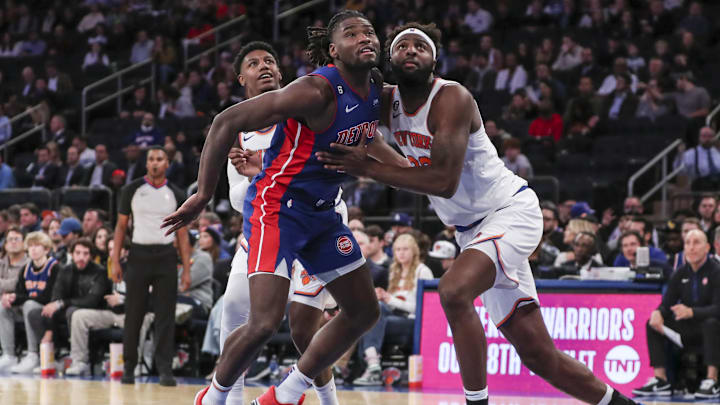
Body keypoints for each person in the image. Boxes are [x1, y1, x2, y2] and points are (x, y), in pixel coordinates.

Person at [317, 22, 639, 405]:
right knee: (538, 355)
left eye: (421, 46)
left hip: (509, 212)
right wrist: (369, 146)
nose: (411, 52)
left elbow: (442, 182)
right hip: (472, 231)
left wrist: (370, 168)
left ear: (434, 60)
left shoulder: (452, 98)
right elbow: (360, 124)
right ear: (389, 59)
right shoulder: (386, 103)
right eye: (403, 46)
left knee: (453, 291)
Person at [163, 10, 406, 405]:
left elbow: (369, 138)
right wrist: (203, 195)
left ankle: (288, 393)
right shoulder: (314, 91)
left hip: (323, 215)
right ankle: (215, 397)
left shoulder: (374, 88)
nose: (365, 38)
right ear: (333, 50)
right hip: (278, 210)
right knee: (262, 321)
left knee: (364, 311)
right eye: (351, 33)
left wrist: (413, 171)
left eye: (370, 32)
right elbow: (225, 121)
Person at [111, 146, 192, 387]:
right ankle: (129, 366)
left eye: (159, 159)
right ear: (146, 163)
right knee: (133, 314)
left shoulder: (176, 192)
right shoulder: (132, 189)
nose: (155, 163)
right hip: (138, 255)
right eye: (151, 159)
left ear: (167, 163)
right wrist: (115, 260)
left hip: (166, 257)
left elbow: (183, 235)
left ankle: (165, 369)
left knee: (165, 316)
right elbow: (120, 227)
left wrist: (186, 268)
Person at [633, 229, 720, 399]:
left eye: (696, 243)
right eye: (687, 243)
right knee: (652, 324)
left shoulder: (716, 272)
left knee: (711, 322)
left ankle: (712, 379)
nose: (691, 247)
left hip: (713, 330)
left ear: (707, 247)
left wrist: (692, 312)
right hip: (688, 330)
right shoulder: (680, 273)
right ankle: (661, 379)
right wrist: (658, 312)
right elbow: (667, 304)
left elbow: (718, 308)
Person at [353, 233, 433, 385]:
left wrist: (390, 299)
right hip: (391, 318)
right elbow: (390, 305)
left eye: (405, 249)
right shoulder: (394, 271)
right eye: (398, 250)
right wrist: (382, 296)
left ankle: (371, 365)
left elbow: (422, 309)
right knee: (371, 311)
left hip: (412, 322)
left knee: (370, 320)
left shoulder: (423, 271)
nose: (401, 253)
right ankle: (372, 365)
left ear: (414, 251)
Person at [34, 238, 108, 372]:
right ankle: (48, 358)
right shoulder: (65, 270)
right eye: (78, 253)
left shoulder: (100, 272)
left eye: (85, 254)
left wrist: (62, 303)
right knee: (37, 312)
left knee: (72, 312)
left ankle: (78, 360)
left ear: (91, 256)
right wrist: (55, 306)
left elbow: (92, 301)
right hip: (68, 310)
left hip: (92, 312)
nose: (81, 257)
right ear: (72, 254)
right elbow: (56, 297)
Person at [0, 232, 61, 373]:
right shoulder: (25, 269)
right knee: (2, 306)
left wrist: (19, 298)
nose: (33, 249)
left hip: (47, 311)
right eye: (31, 246)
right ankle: (9, 354)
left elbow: (48, 297)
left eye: (37, 246)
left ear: (46, 249)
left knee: (29, 305)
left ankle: (33, 354)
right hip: (28, 308)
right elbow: (20, 293)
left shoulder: (55, 268)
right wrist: (10, 298)